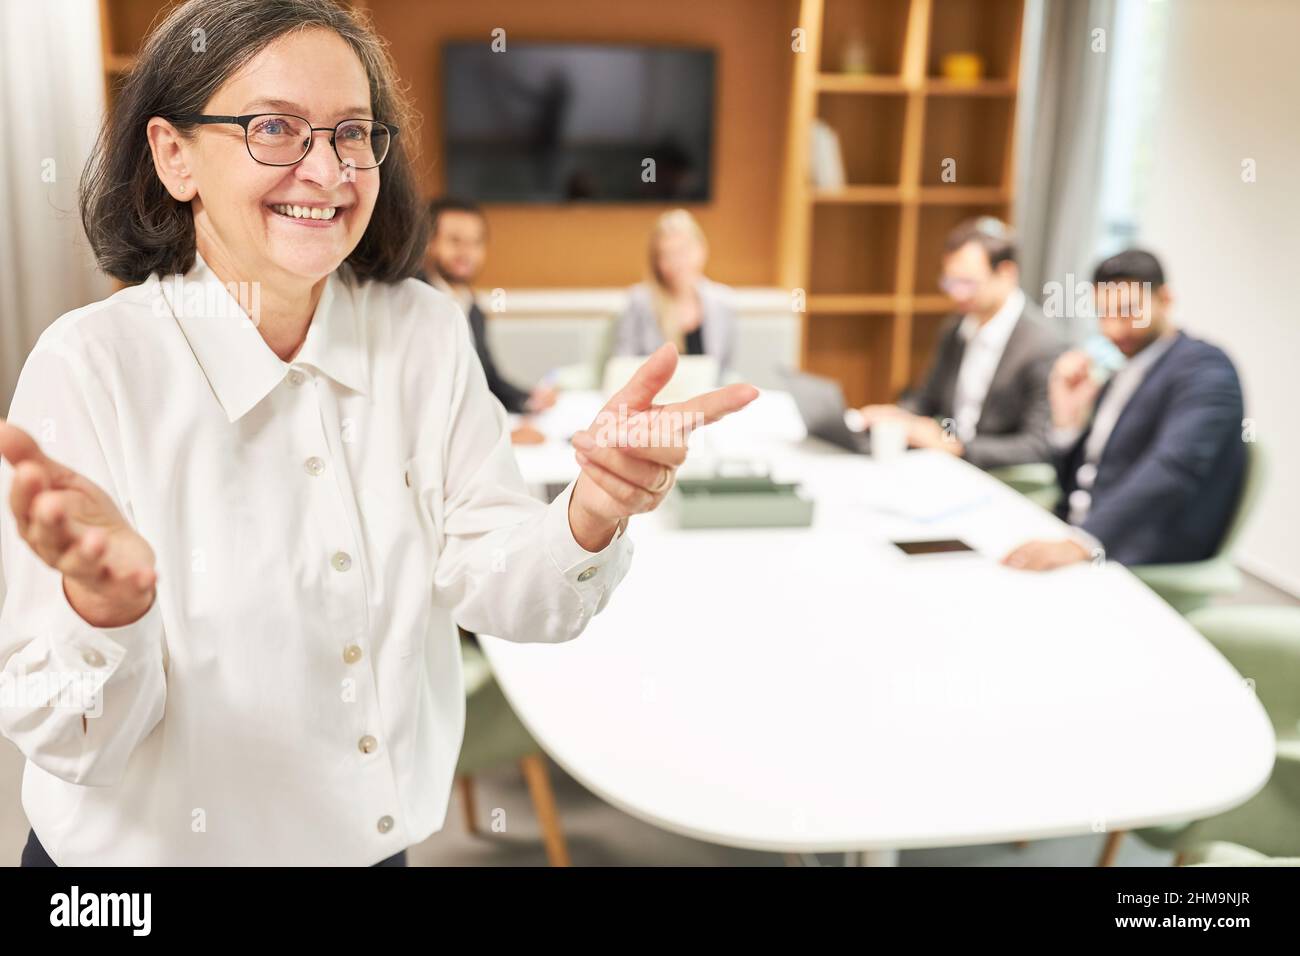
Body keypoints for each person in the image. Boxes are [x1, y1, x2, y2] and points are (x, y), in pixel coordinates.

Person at [0, 0, 756, 866]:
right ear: (174, 156)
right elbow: (67, 739)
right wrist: (105, 613)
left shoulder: (422, 332)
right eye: (274, 128)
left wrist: (590, 512)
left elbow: (492, 583)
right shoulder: (90, 367)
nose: (326, 171)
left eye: (352, 133)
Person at [1003, 249, 1245, 571]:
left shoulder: (1206, 370)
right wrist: (1067, 422)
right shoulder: (1120, 370)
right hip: (1079, 531)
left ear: (1165, 299)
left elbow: (1173, 468)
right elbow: (1082, 479)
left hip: (1138, 552)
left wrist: (1082, 541)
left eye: (1129, 312)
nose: (1114, 330)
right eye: (1104, 314)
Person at [856, 217, 1062, 469]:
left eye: (967, 283)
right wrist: (897, 416)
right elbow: (926, 399)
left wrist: (955, 446)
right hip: (946, 466)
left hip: (994, 475)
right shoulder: (956, 328)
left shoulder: (1044, 345)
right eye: (949, 283)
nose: (956, 294)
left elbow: (1037, 446)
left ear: (1006, 273)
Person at [422, 197, 556, 415]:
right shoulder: (413, 303)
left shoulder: (473, 307)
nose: (467, 253)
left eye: (476, 242)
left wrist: (529, 399)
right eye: (455, 241)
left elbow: (488, 378)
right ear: (428, 242)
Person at [613, 209, 735, 375]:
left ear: (702, 250)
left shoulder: (722, 303)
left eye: (683, 252)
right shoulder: (639, 302)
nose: (676, 263)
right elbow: (623, 366)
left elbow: (724, 371)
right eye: (666, 255)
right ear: (656, 262)